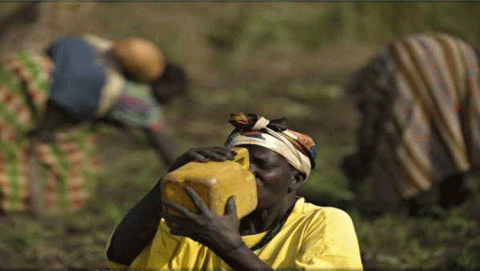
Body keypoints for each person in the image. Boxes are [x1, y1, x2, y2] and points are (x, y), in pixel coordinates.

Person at [106, 113, 363, 270]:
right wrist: (168, 182)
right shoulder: (201, 220)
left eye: (262, 164)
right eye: (237, 162)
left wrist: (229, 247)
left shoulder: (323, 223)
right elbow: (121, 258)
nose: (247, 172)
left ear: (294, 179)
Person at [0, 34, 187, 214]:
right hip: (32, 90)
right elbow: (160, 143)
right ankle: (24, 200)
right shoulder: (140, 101)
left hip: (23, 65)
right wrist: (185, 173)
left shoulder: (98, 50)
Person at [342, 32, 480, 215]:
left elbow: (372, 128)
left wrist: (363, 157)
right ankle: (449, 193)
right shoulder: (376, 71)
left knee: (408, 129)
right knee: (451, 126)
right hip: (457, 54)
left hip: (416, 58)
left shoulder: (368, 81)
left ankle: (418, 196)